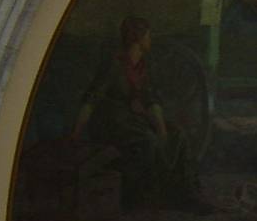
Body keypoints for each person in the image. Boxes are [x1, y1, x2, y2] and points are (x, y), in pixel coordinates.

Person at [69, 16, 198, 210]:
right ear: (138, 38)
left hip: (135, 119)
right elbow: (91, 100)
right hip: (112, 122)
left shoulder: (144, 65)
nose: (150, 40)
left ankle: (186, 194)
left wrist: (162, 129)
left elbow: (151, 100)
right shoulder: (114, 64)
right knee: (147, 140)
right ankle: (143, 198)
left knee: (177, 134)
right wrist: (76, 133)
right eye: (148, 36)